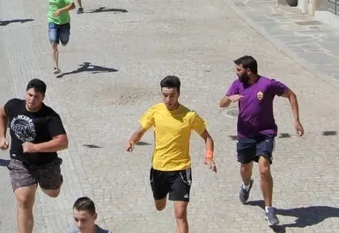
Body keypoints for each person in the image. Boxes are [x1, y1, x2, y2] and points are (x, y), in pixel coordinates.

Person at [219, 55, 304, 227]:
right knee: (245, 168)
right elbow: (222, 104)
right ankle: (246, 185)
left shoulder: (267, 84)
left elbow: (291, 95)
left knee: (264, 169)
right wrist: (229, 99)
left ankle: (269, 208)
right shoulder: (237, 85)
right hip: (245, 134)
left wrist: (296, 120)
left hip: (265, 133)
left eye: (238, 70)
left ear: (248, 71)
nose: (236, 73)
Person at [127, 76, 216, 233]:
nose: (168, 99)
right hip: (159, 168)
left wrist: (209, 156)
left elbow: (207, 137)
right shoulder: (155, 111)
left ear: (179, 94)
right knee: (160, 207)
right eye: (165, 95)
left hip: (181, 170)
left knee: (180, 214)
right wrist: (132, 141)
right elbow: (140, 131)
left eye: (172, 95)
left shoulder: (189, 116)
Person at [0, 79, 68, 233]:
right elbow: (2, 112)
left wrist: (35, 147)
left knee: (53, 193)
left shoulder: (50, 117)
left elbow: (63, 142)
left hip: (46, 164)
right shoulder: (14, 105)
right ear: (25, 93)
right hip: (20, 162)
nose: (31, 99)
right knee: (24, 200)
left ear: (42, 97)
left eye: (36, 97)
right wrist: (2, 136)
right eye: (29, 95)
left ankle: (54, 182)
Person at [44, 0, 75, 75]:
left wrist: (60, 10)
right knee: (53, 43)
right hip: (52, 21)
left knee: (64, 41)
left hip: (64, 22)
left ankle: (65, 40)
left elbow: (73, 6)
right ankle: (56, 66)